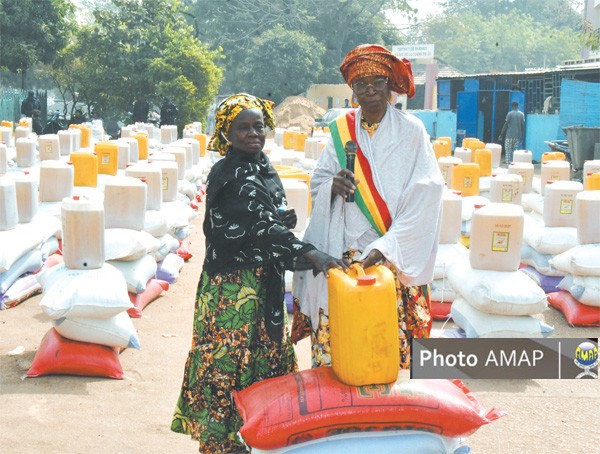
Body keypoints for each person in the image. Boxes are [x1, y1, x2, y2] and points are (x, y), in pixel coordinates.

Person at [171, 93, 348, 453]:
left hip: (262, 282)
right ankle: (221, 443)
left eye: (258, 126)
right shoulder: (230, 173)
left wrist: (282, 218)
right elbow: (255, 226)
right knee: (227, 361)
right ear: (226, 133)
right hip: (233, 289)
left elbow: (267, 217)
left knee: (261, 359)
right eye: (243, 128)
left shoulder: (260, 166)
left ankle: (258, 435)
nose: (253, 134)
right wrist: (310, 252)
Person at [292, 44, 444, 370]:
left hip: (391, 252)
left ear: (390, 85)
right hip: (343, 249)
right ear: (353, 90)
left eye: (377, 81)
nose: (370, 90)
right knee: (341, 338)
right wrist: (332, 187)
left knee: (383, 341)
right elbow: (318, 183)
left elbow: (427, 192)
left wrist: (387, 246)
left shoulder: (411, 131)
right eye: (361, 84)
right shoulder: (340, 131)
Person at [499, 101, 525, 165]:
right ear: (518, 106)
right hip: (517, 136)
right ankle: (514, 164)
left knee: (508, 151)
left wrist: (501, 134)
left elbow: (506, 124)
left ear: (512, 106)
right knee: (515, 151)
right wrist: (522, 136)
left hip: (509, 136)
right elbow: (523, 126)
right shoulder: (521, 114)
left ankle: (508, 165)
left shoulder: (510, 114)